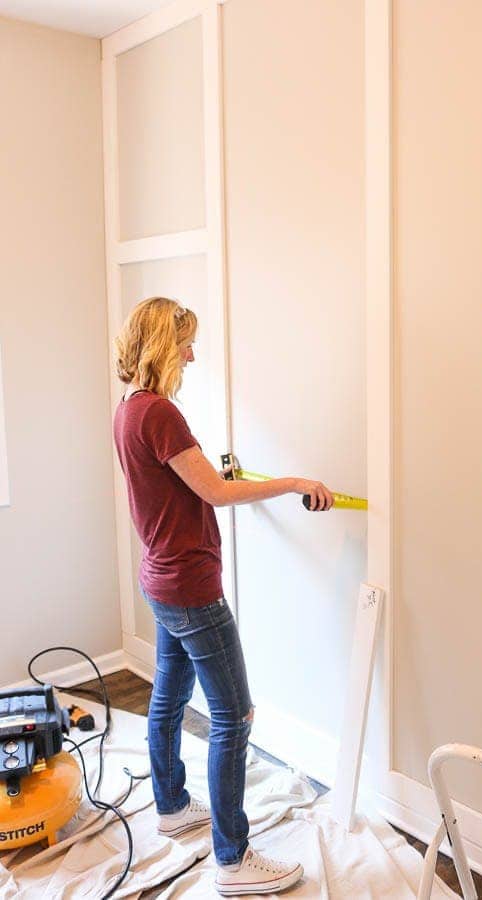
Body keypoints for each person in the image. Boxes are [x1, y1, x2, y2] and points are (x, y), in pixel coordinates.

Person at [113, 296, 333, 895]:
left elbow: (191, 484)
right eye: (184, 341)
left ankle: (172, 806)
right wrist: (295, 483)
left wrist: (233, 479)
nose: (191, 353)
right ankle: (234, 860)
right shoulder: (161, 414)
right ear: (162, 344)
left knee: (168, 698)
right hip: (190, 589)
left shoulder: (128, 410)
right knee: (235, 717)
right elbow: (211, 492)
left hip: (160, 580)